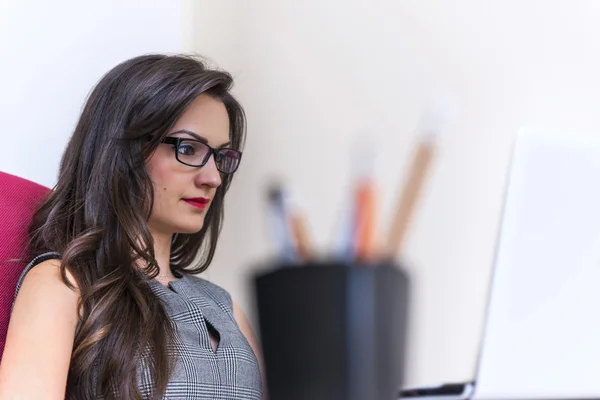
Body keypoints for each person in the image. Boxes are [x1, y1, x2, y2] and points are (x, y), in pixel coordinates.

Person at [0, 54, 265, 400]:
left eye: (221, 157)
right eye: (187, 148)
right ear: (123, 151)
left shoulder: (227, 310)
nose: (213, 177)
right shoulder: (65, 285)